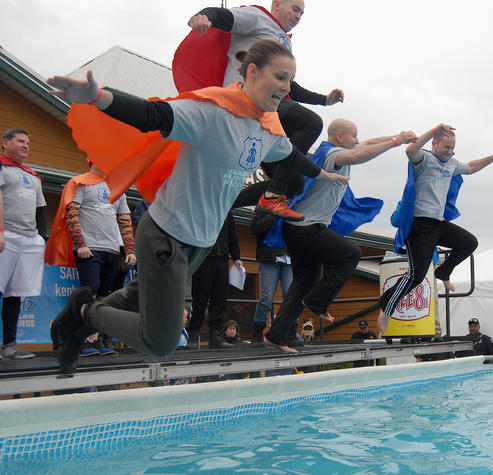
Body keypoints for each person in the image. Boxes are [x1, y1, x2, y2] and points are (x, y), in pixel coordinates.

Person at [47, 39, 349, 373]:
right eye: (280, 76)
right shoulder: (212, 111)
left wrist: (322, 173)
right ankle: (85, 312)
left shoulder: (267, 127)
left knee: (136, 295)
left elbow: (291, 156)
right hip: (166, 234)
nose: (286, 87)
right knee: (159, 342)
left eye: (290, 80)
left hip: (200, 243)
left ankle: (75, 333)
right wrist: (98, 98)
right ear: (252, 71)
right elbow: (153, 114)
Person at [181, 1, 345, 220]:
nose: (298, 17)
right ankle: (273, 194)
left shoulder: (285, 42)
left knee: (294, 182)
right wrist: (204, 16)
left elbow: (289, 88)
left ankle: (225, 206)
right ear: (277, 5)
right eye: (295, 9)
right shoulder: (259, 19)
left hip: (262, 119)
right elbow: (224, 16)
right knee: (310, 123)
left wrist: (324, 100)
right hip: (243, 100)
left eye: (302, 14)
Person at [263, 118, 416, 353]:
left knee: (304, 283)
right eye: (353, 136)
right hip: (305, 229)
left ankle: (277, 334)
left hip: (299, 227)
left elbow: (367, 144)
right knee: (350, 254)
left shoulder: (339, 147)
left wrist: (395, 137)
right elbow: (356, 156)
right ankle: (318, 302)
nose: (357, 140)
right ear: (339, 137)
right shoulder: (332, 154)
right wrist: (396, 141)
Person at [376, 124, 493, 332]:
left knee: (469, 243)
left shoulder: (452, 164)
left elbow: (472, 167)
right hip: (419, 225)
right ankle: (387, 308)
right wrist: (434, 128)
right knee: (416, 275)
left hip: (438, 223)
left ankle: (444, 271)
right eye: (446, 146)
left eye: (452, 147)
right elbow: (410, 150)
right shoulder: (425, 159)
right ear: (435, 143)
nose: (449, 151)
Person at [46, 160, 137, 357]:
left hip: (112, 250)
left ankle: (95, 338)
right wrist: (80, 243)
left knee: (105, 296)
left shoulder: (118, 188)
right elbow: (72, 213)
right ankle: (79, 339)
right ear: (93, 160)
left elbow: (124, 220)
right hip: (91, 249)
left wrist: (130, 250)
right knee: (90, 293)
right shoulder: (81, 182)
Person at [0, 128, 47, 359]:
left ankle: (9, 345)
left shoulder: (33, 175)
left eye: (28, 142)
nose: (26, 145)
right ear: (5, 143)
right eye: (20, 141)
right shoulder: (1, 167)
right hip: (5, 235)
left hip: (28, 240)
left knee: (14, 294)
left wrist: (41, 238)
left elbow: (41, 210)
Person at [187, 214, 242, 349]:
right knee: (200, 299)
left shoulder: (227, 211)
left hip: (222, 259)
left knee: (220, 300)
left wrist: (236, 257)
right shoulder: (201, 208)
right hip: (202, 259)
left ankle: (216, 335)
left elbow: (232, 235)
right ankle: (193, 334)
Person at [249, 210, 293, 343]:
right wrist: (275, 215)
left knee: (291, 296)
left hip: (290, 258)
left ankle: (290, 331)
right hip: (269, 257)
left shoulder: (294, 205)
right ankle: (258, 329)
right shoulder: (263, 207)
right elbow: (256, 228)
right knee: (267, 297)